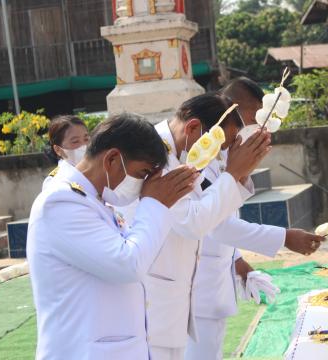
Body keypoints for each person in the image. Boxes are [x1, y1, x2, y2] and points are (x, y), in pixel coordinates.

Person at [27, 112, 198, 360]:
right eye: (141, 173)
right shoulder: (61, 202)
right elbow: (128, 263)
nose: (142, 184)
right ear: (112, 159)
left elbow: (138, 253)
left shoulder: (97, 200)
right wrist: (155, 203)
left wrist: (158, 204)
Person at [118, 93, 271, 360]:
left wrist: (238, 174)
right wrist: (233, 174)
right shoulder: (156, 159)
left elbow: (208, 210)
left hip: (177, 294)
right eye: (220, 144)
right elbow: (193, 221)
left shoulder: (179, 153)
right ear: (192, 128)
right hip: (152, 299)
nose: (220, 154)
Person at [185, 77, 324, 360]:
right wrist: (285, 237)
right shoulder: (197, 158)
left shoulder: (222, 154)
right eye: (252, 118)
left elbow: (222, 212)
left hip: (214, 284)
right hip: (194, 290)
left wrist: (240, 265)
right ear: (230, 110)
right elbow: (214, 224)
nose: (256, 127)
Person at [43, 115, 90, 189]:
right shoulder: (55, 182)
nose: (84, 146)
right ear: (58, 150)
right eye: (75, 141)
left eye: (86, 139)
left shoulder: (101, 169)